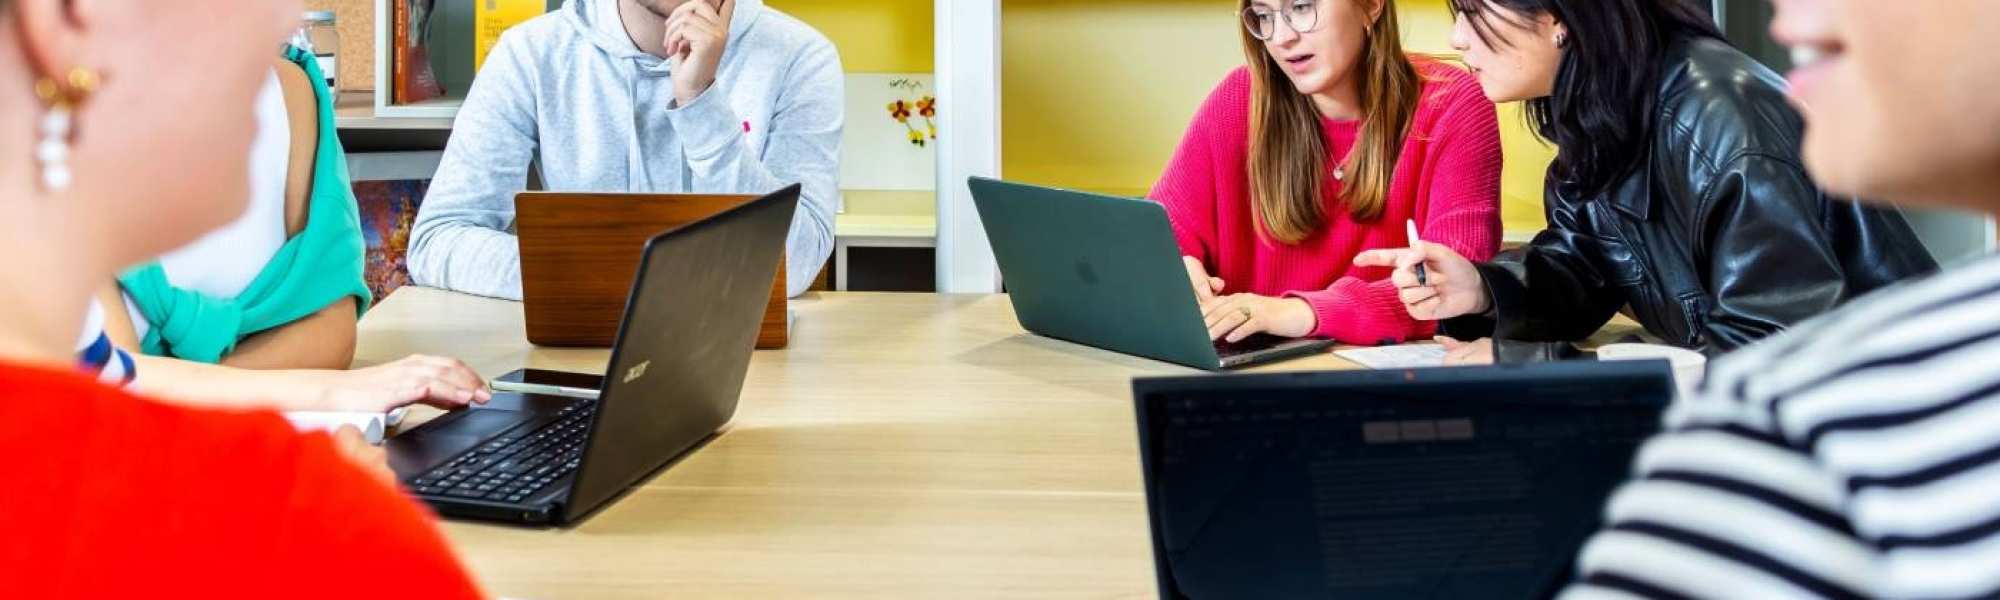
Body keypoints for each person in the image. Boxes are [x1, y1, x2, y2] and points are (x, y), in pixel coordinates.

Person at [0, 0, 481, 595]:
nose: (289, 18)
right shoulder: (290, 518)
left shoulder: (62, 351)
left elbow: (114, 376)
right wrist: (329, 515)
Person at [1550, 0, 2000, 596]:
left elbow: (1770, 322)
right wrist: (1491, 289)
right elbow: (1592, 261)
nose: (1788, 21)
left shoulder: (1803, 429)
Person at [1357, 0, 1938, 364]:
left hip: (1906, 428)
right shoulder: (1608, 103)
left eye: (1473, 10)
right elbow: (1586, 265)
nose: (1458, 38)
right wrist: (1484, 288)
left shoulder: (1717, 116)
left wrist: (1533, 365)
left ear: (1558, 18)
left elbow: (1771, 348)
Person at [90, 47, 490, 413]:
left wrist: (201, 389)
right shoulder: (46, 107)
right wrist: (331, 390)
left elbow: (328, 336)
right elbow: (109, 383)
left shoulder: (288, 88)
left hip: (237, 442)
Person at [409, 0, 840, 300]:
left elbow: (795, 262)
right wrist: (614, 274)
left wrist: (700, 103)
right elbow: (438, 240)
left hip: (745, 358)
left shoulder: (800, 56)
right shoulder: (532, 53)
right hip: (581, 357)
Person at [1154, 0, 1503, 346]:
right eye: (1263, 16)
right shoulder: (1238, 99)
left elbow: (1453, 284)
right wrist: (1176, 269)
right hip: (1245, 380)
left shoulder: (1454, 103)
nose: (1281, 37)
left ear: (1371, 5)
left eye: (1302, 8)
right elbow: (1157, 234)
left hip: (1380, 384)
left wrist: (1294, 312)